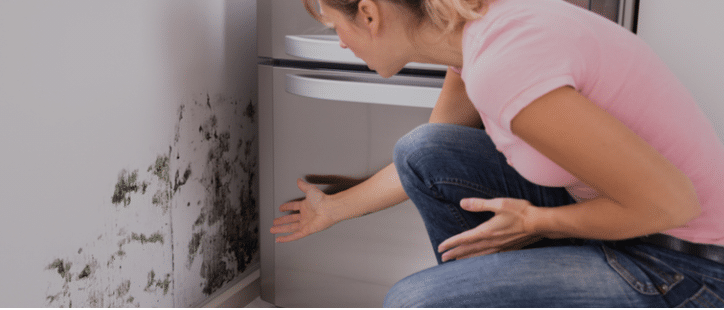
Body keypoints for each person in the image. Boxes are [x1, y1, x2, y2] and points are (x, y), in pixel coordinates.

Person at [269, 0, 724, 307]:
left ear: (369, 14)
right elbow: (428, 159)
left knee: (415, 302)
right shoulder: (479, 36)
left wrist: (538, 222)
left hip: (686, 262)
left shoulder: (503, 66)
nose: (342, 43)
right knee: (423, 150)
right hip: (628, 222)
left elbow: (672, 204)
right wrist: (332, 209)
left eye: (335, 26)